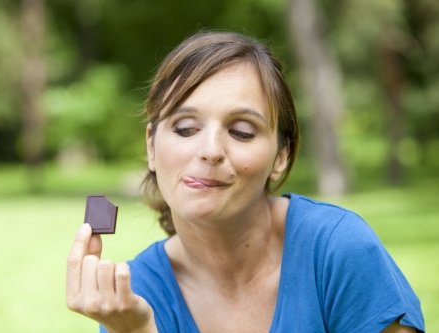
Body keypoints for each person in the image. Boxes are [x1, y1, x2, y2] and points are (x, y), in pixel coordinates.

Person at [66, 31, 425, 333]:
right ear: (151, 146)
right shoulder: (134, 296)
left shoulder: (338, 251)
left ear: (280, 157)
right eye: (185, 128)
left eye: (241, 131)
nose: (210, 150)